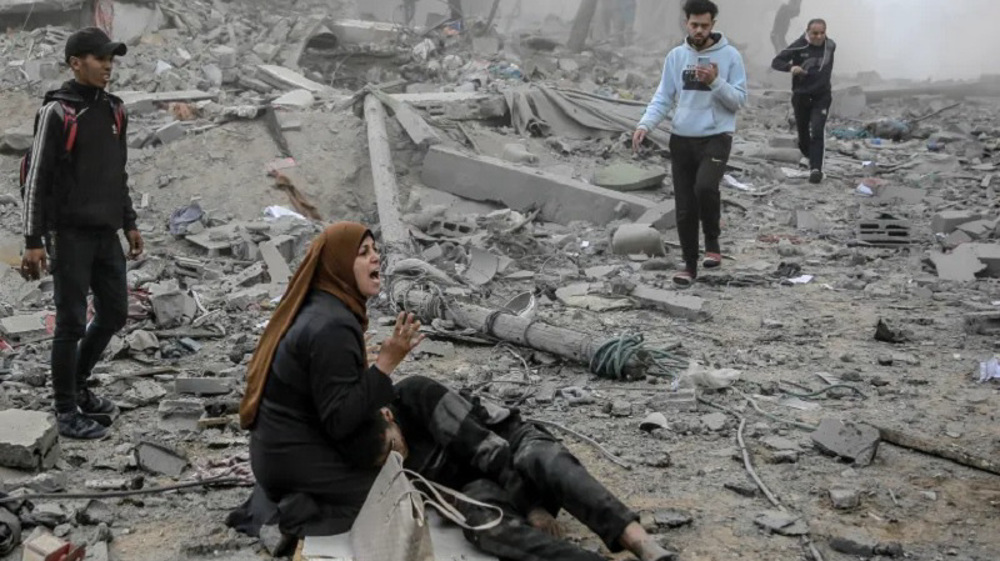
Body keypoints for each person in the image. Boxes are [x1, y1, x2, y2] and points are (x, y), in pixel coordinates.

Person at [343, 375, 678, 561]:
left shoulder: (417, 395)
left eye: (392, 448)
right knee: (484, 526)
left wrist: (532, 507)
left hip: (512, 446)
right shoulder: (386, 460)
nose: (395, 460)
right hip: (481, 486)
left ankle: (640, 543)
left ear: (387, 416)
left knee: (542, 460)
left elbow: (487, 449)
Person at [239, 222, 425, 537]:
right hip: (292, 457)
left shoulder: (324, 307)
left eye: (375, 250)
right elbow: (339, 420)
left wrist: (374, 401)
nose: (376, 258)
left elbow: (328, 395)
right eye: (363, 252)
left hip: (277, 451)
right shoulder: (332, 326)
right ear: (338, 264)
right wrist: (385, 364)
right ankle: (293, 512)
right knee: (396, 495)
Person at [20, 27, 143, 440]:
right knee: (70, 322)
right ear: (76, 63)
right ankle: (64, 409)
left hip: (106, 232)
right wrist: (33, 241)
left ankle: (80, 383)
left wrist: (129, 222)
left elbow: (117, 174)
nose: (108, 65)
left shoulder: (116, 110)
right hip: (68, 234)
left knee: (114, 313)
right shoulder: (58, 112)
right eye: (99, 58)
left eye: (111, 58)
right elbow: (37, 178)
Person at [632, 0, 747, 288]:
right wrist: (645, 124)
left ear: (713, 25)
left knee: (706, 187)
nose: (699, 30)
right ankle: (689, 266)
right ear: (686, 23)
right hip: (682, 138)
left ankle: (712, 241)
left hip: (717, 137)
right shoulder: (675, 56)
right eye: (694, 25)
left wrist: (716, 82)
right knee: (684, 207)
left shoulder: (730, 56)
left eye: (704, 26)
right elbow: (663, 97)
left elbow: (739, 100)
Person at [771, 19, 836, 184]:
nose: (819, 37)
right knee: (803, 133)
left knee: (817, 130)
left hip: (822, 96)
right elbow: (776, 62)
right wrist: (791, 68)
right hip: (801, 95)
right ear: (808, 32)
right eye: (815, 33)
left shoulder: (830, 46)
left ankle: (816, 169)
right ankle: (808, 155)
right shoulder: (799, 46)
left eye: (822, 33)